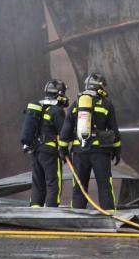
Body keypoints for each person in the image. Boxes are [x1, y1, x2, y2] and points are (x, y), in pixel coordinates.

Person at [59, 72, 122, 210]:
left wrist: (63, 149)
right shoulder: (106, 104)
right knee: (104, 185)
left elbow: (66, 129)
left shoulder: (76, 104)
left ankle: (77, 214)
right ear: (100, 87)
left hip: (79, 152)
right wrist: (117, 149)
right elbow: (114, 130)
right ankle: (108, 214)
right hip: (100, 152)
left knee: (79, 186)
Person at [20, 79, 69, 207]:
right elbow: (64, 132)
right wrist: (65, 151)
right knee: (53, 182)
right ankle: (51, 209)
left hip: (35, 150)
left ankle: (35, 209)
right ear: (59, 93)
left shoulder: (39, 108)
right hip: (50, 152)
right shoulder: (57, 110)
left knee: (38, 182)